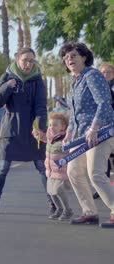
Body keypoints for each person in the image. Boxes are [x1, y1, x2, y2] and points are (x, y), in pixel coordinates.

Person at [0, 47, 53, 214]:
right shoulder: (7, 76)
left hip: (32, 130)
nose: (28, 64)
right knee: (3, 167)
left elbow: (41, 106)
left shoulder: (37, 80)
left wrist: (40, 128)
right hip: (11, 130)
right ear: (17, 59)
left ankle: (53, 201)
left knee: (42, 167)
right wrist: (8, 86)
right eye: (25, 60)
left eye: (31, 61)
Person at [59, 43, 114, 227]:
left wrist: (95, 127)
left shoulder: (93, 75)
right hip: (80, 135)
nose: (69, 59)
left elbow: (104, 103)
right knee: (73, 171)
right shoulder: (75, 81)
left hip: (100, 132)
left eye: (73, 55)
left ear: (83, 57)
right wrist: (68, 133)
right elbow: (75, 113)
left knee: (95, 173)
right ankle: (89, 212)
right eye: (66, 57)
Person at [33, 112, 73, 220]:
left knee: (59, 190)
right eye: (50, 125)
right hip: (50, 171)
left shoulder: (64, 139)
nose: (52, 127)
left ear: (63, 127)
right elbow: (44, 139)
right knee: (51, 192)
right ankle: (59, 209)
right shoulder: (51, 137)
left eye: (55, 125)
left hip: (61, 171)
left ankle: (67, 210)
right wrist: (38, 134)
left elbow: (71, 149)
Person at [93, 62, 114, 199]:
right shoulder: (96, 88)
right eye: (103, 72)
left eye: (108, 72)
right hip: (101, 128)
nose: (105, 74)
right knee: (102, 160)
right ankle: (102, 190)